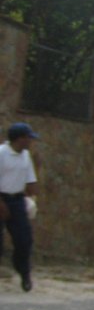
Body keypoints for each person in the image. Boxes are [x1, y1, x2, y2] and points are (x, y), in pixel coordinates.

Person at [0, 122, 39, 292]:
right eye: (28, 138)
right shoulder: (2, 153)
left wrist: (32, 196)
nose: (30, 141)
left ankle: (24, 272)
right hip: (1, 198)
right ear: (20, 139)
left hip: (17, 200)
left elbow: (30, 180)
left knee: (24, 239)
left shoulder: (25, 155)